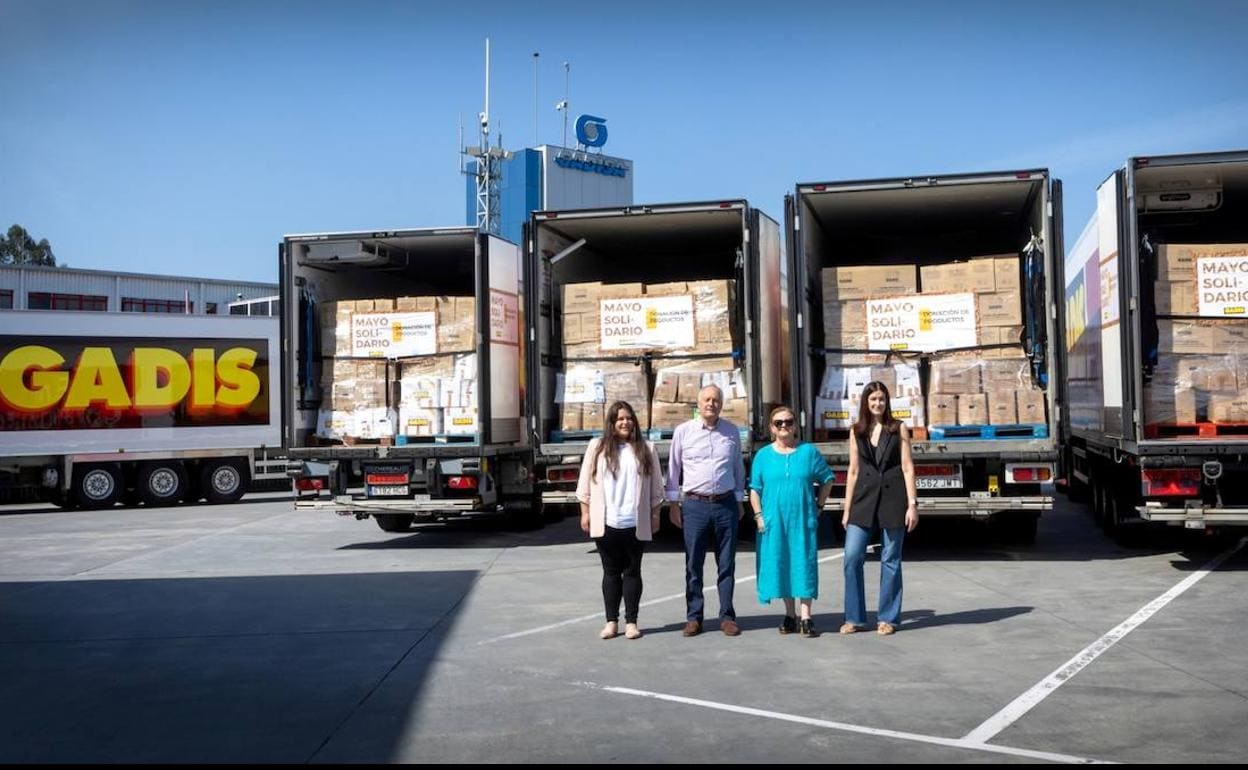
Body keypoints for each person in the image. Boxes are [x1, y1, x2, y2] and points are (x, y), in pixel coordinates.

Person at [577, 400, 665, 640]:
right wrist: (585, 511)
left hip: (634, 521)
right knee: (611, 572)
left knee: (633, 571)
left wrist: (655, 514)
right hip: (606, 521)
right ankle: (611, 621)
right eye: (620, 419)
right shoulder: (597, 447)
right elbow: (585, 482)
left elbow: (657, 487)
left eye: (628, 418)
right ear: (612, 423)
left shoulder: (647, 448)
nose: (625, 423)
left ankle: (632, 622)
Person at [667, 384, 747, 637]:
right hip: (694, 505)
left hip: (725, 505)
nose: (711, 403)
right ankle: (694, 617)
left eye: (716, 400)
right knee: (693, 564)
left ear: (721, 404)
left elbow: (737, 468)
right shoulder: (683, 432)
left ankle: (727, 617)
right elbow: (673, 470)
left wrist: (739, 501)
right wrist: (673, 504)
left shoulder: (732, 431)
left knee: (726, 564)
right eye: (707, 399)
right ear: (698, 404)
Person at [841, 381, 919, 636]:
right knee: (852, 557)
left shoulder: (898, 429)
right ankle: (854, 617)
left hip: (893, 499)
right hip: (863, 500)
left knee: (891, 559)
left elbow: (907, 467)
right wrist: (846, 508)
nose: (877, 403)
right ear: (866, 402)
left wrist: (912, 504)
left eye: (882, 399)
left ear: (887, 402)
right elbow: (853, 471)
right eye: (873, 399)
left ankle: (888, 618)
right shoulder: (856, 431)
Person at [749, 405, 834, 637]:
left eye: (788, 422)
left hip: (802, 521)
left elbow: (827, 479)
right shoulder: (763, 456)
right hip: (773, 522)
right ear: (771, 428)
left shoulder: (808, 452)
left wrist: (819, 506)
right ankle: (790, 614)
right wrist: (758, 516)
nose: (784, 426)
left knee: (803, 564)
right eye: (779, 423)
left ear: (796, 426)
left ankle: (806, 616)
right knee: (782, 565)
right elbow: (754, 489)